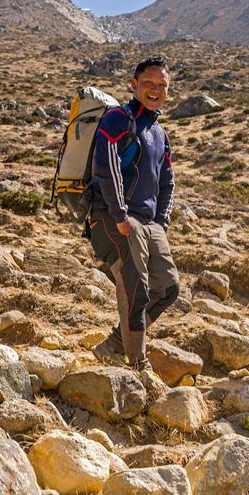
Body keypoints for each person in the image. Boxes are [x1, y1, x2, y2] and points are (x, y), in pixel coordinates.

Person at [88, 57, 179, 375]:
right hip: (116, 218)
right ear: (134, 85)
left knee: (167, 288)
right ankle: (138, 365)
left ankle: (114, 343)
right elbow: (106, 166)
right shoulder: (118, 119)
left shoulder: (159, 132)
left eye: (162, 86)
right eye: (149, 84)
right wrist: (120, 215)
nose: (155, 90)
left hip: (150, 223)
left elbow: (167, 178)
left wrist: (162, 222)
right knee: (134, 288)